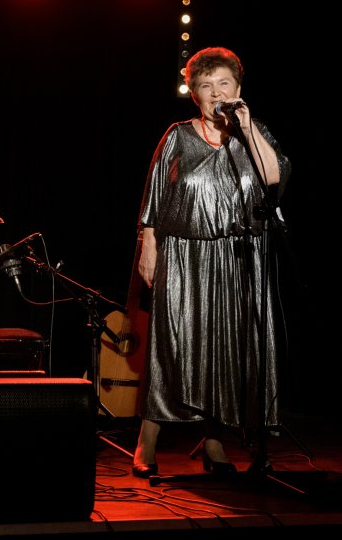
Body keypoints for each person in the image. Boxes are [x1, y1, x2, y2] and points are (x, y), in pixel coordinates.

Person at [131, 46, 292, 478]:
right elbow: (154, 198)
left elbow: (274, 178)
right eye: (206, 85)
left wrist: (247, 126)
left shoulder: (252, 135)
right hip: (184, 256)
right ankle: (147, 442)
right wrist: (149, 247)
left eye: (224, 83)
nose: (216, 92)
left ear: (238, 89)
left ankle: (215, 442)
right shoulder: (177, 136)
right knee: (172, 346)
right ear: (195, 94)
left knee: (228, 348)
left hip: (239, 257)